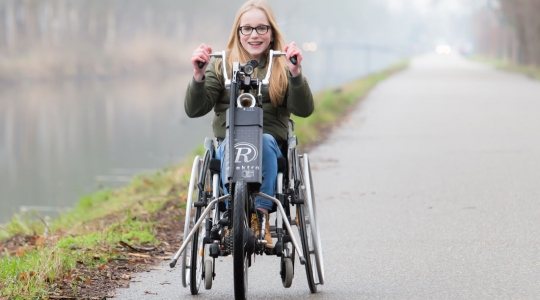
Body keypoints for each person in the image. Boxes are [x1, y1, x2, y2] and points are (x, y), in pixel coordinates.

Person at [184, 0, 314, 248]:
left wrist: (296, 73)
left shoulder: (282, 64)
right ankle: (232, 216)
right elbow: (194, 110)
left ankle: (260, 218)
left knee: (262, 141)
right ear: (238, 32)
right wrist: (198, 77)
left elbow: (305, 110)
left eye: (261, 28)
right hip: (228, 143)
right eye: (247, 29)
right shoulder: (221, 65)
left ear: (271, 32)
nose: (254, 35)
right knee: (232, 145)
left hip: (270, 144)